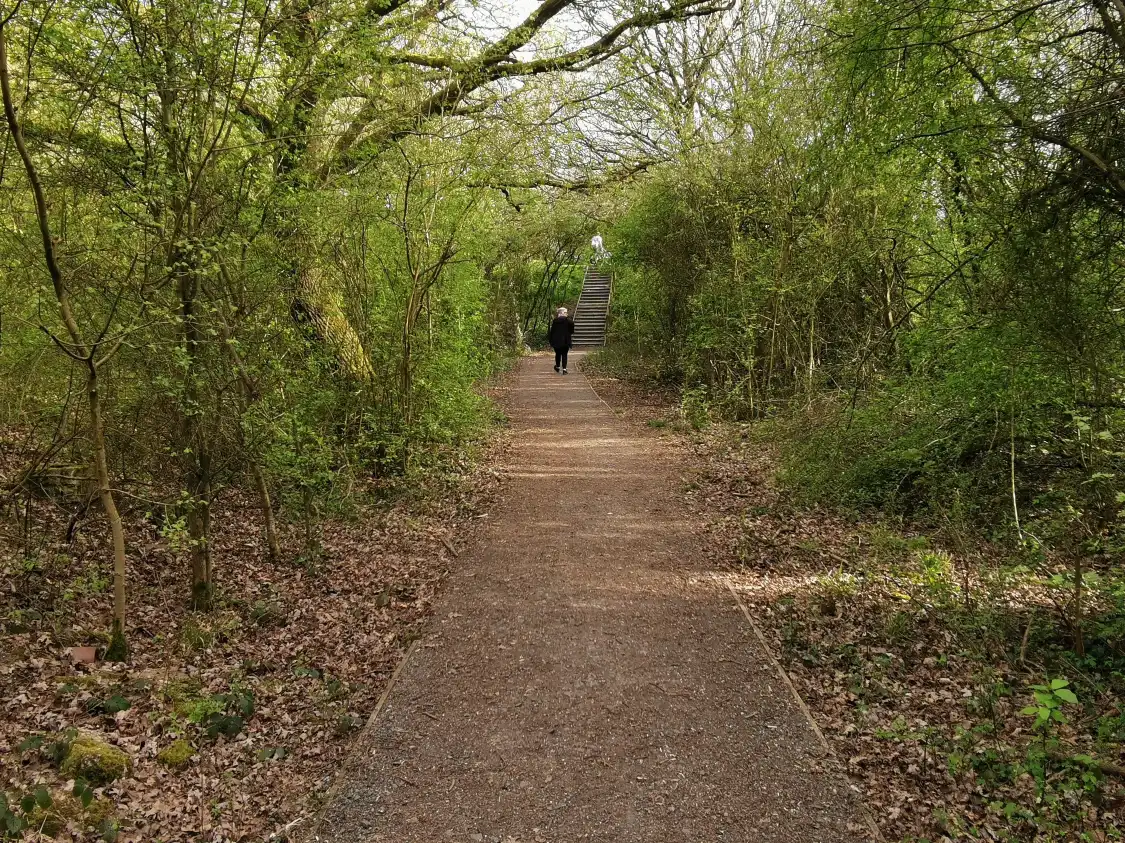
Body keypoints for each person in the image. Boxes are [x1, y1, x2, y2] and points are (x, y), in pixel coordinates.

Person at [548, 306, 574, 374]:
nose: (566, 314)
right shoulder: (569, 321)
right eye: (565, 312)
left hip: (556, 341)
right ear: (561, 313)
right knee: (564, 354)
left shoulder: (555, 321)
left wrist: (551, 340)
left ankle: (557, 367)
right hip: (566, 340)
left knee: (558, 354)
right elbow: (572, 331)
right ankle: (564, 369)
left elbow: (552, 331)